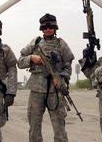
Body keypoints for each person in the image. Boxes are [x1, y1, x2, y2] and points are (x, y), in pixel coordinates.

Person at [18, 13, 74, 142]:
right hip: (36, 90)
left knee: (59, 128)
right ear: (41, 29)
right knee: (34, 128)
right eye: (45, 27)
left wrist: (61, 77)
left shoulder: (61, 44)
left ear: (55, 28)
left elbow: (68, 66)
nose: (48, 29)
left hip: (56, 90)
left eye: (51, 26)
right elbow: (20, 61)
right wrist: (31, 58)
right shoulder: (35, 42)